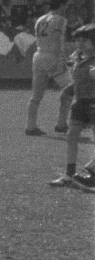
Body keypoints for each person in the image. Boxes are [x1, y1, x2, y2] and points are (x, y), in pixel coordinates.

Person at [48, 24, 95, 189]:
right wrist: (68, 91)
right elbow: (78, 79)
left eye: (85, 40)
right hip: (80, 103)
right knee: (71, 136)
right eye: (78, 40)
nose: (80, 43)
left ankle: (91, 172)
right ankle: (69, 176)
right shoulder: (78, 57)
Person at [26, 0, 75, 136]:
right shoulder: (59, 19)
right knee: (70, 89)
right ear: (61, 4)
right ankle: (61, 124)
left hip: (39, 55)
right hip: (52, 56)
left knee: (36, 95)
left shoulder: (40, 19)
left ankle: (30, 126)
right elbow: (58, 40)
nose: (67, 7)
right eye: (66, 4)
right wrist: (63, 58)